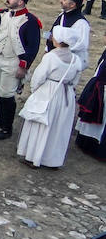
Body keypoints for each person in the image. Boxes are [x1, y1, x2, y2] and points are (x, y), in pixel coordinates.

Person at [0, 0, 42, 139]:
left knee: (7, 95)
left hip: (13, 62)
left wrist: (24, 66)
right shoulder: (2, 15)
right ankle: (1, 120)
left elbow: (32, 47)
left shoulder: (30, 21)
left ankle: (7, 127)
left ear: (21, 2)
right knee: (0, 91)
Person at [17, 26, 85, 168]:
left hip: (49, 92)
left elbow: (38, 77)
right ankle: (52, 160)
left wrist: (35, 91)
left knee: (41, 124)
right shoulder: (76, 60)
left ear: (58, 40)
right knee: (59, 127)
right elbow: (75, 81)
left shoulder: (51, 57)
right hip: (66, 95)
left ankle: (33, 157)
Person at [48, 0, 93, 76]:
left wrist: (61, 52)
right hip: (54, 58)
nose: (61, 1)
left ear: (72, 5)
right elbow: (51, 34)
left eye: (64, 0)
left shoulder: (82, 23)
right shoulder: (62, 15)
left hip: (68, 64)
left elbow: (81, 45)